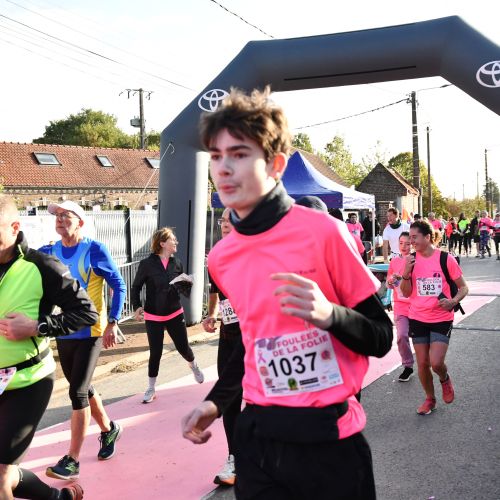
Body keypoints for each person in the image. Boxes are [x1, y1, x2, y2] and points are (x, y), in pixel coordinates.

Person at [181, 87, 393, 499]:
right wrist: (216, 402)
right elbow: (254, 343)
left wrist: (330, 314)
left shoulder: (324, 233)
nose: (224, 168)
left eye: (239, 154)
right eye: (216, 156)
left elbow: (381, 336)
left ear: (275, 164)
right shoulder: (222, 257)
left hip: (328, 441)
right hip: (258, 438)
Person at [0, 195, 98, 500]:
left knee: (0, 474)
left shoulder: (41, 265)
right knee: (5, 473)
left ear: (14, 227)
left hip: (27, 382)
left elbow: (87, 313)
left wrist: (36, 327)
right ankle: (59, 498)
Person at [39, 201, 126, 480]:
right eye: (57, 216)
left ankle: (72, 460)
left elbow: (118, 285)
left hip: (91, 330)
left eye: (66, 215)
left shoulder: (94, 249)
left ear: (80, 222)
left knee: (76, 392)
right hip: (63, 330)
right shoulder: (48, 252)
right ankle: (109, 429)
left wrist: (113, 321)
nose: (60, 219)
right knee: (83, 387)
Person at [399, 220, 469, 415]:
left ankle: (444, 378)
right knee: (422, 363)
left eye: (415, 237)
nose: (411, 241)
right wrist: (406, 273)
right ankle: (430, 399)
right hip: (417, 317)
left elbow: (464, 287)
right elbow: (405, 293)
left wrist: (453, 301)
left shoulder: (446, 259)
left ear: (428, 237)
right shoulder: (410, 260)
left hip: (441, 317)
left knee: (436, 363)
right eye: (410, 237)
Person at [131, 227, 204, 404]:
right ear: (162, 243)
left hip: (174, 312)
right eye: (173, 239)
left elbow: (181, 288)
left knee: (183, 348)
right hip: (153, 315)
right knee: (155, 352)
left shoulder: (177, 263)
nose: (176, 242)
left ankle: (193, 365)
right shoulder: (147, 264)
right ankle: (151, 388)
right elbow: (136, 287)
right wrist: (137, 306)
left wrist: (186, 284)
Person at [202, 208, 243, 486]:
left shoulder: (254, 254)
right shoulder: (216, 256)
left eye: (231, 219)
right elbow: (216, 293)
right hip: (229, 336)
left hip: (256, 336)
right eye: (222, 221)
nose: (224, 224)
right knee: (230, 399)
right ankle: (234, 457)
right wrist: (212, 314)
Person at [387, 232, 414, 382]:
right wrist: (391, 280)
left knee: (420, 339)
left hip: (417, 306)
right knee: (402, 336)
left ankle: (426, 361)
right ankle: (408, 366)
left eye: (407, 243)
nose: (404, 246)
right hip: (400, 305)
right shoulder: (394, 261)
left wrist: (404, 278)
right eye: (401, 243)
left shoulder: (416, 260)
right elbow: (389, 284)